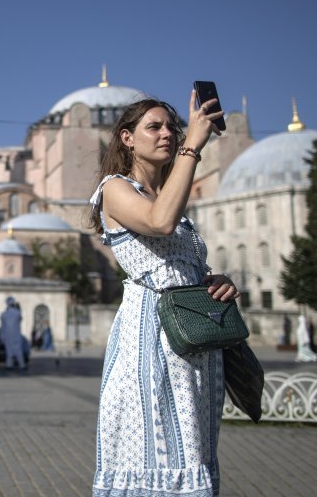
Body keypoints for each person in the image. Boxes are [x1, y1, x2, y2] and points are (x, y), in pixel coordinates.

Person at [88, 95, 238, 496]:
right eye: (154, 127)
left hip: (195, 346)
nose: (167, 133)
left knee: (191, 449)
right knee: (156, 450)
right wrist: (194, 147)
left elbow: (179, 255)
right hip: (152, 341)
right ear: (127, 139)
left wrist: (215, 283)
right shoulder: (114, 189)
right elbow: (159, 222)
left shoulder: (177, 204)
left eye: (172, 127)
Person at [0, 297, 25, 370]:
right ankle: (21, 364)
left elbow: (2, 326)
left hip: (7, 335)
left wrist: (2, 337)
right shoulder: (17, 313)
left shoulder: (4, 314)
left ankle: (9, 364)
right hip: (16, 334)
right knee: (18, 350)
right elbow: (20, 319)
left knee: (9, 350)